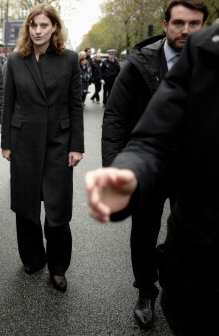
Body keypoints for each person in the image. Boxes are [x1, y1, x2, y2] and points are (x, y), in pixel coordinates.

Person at [86, 24, 219, 335]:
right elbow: (150, 133)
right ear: (166, 25)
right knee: (146, 230)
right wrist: (125, 172)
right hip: (182, 193)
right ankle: (147, 288)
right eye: (179, 23)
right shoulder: (205, 48)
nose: (186, 30)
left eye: (193, 22)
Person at [1, 3, 84, 293]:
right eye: (33, 25)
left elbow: (76, 105)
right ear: (28, 28)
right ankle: (33, 259)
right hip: (23, 142)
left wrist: (77, 145)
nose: (38, 31)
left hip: (59, 144)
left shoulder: (69, 59)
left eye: (44, 25)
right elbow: (8, 103)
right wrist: (6, 144)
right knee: (26, 208)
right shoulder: (15, 60)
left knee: (57, 211)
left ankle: (58, 267)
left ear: (54, 28)